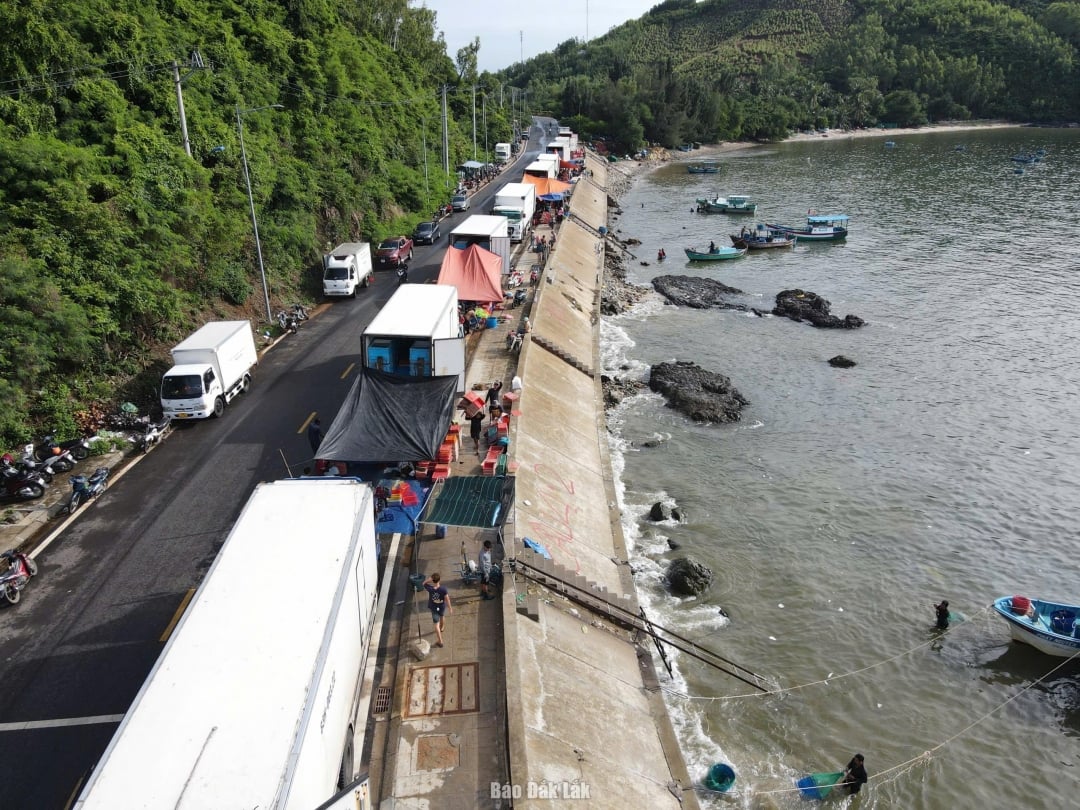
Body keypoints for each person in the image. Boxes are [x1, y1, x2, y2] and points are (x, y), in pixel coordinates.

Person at [423, 573, 452, 647]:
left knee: (436, 624)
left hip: (434, 608)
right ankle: (442, 627)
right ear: (439, 580)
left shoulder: (430, 589)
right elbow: (447, 599)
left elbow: (423, 583)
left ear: (432, 580)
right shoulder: (443, 589)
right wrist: (450, 608)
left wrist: (429, 580)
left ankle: (440, 641)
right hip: (441, 606)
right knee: (442, 616)